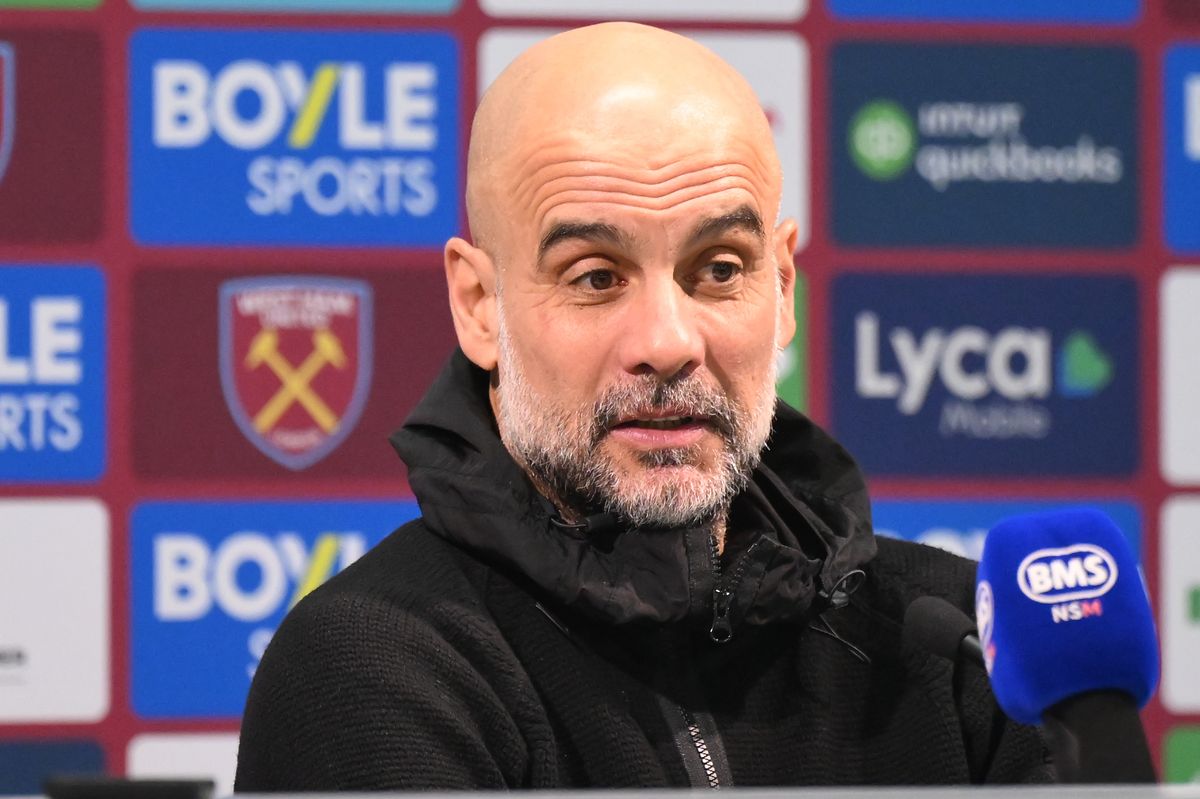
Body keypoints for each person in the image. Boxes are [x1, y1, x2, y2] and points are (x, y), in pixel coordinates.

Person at [235, 22, 1051, 790]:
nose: (668, 341)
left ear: (783, 287)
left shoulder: (961, 644)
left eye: (721, 268)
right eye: (596, 276)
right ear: (480, 305)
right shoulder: (373, 665)